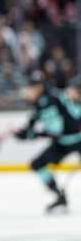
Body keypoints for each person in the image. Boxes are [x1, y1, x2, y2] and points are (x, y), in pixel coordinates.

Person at [15, 70, 81, 213]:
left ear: (39, 87)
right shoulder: (41, 103)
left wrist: (30, 134)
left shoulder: (50, 100)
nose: (28, 91)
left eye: (32, 87)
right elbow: (33, 128)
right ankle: (59, 197)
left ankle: (59, 197)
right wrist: (23, 133)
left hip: (76, 139)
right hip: (64, 142)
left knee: (38, 164)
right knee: (37, 165)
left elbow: (56, 130)